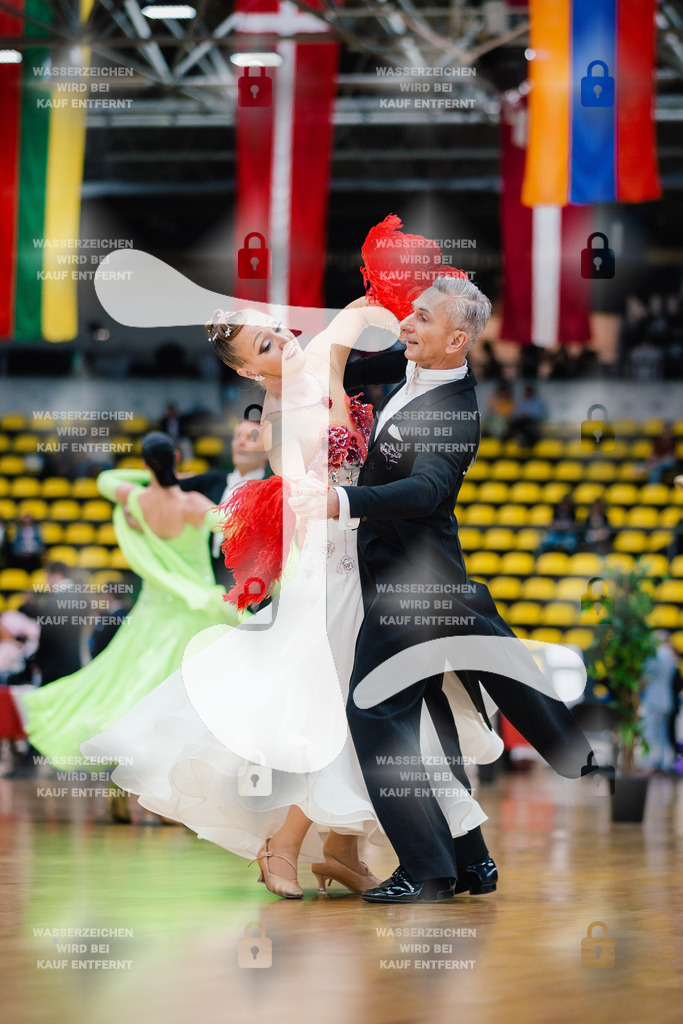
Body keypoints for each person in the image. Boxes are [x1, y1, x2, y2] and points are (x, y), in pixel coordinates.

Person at [83, 298, 494, 899]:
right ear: (250, 372)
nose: (283, 339)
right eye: (266, 344)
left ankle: (342, 849)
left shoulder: (321, 358)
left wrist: (409, 317)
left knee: (359, 707)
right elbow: (313, 494)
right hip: (332, 566)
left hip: (368, 557)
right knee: (333, 709)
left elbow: (361, 313)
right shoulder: (281, 415)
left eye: (276, 327)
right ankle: (287, 842)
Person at [298, 277, 596, 903]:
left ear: (456, 340)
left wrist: (341, 499)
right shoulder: (412, 365)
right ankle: (468, 864)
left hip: (414, 586)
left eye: (422, 318)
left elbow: (427, 492)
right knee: (432, 717)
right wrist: (340, 333)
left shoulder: (455, 413)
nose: (408, 323)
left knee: (373, 709)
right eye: (411, 313)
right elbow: (336, 359)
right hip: (411, 578)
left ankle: (429, 869)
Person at [13, 433, 242, 804]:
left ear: (144, 464)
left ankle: (130, 778)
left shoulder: (135, 499)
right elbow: (232, 526)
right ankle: (172, 794)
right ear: (178, 457)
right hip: (195, 611)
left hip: (152, 612)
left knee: (132, 692)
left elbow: (106, 481)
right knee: (185, 701)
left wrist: (147, 480)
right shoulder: (193, 503)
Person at [179, 418, 269, 589]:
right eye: (237, 437)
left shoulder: (273, 492)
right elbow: (162, 489)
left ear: (267, 451)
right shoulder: (212, 481)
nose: (241, 442)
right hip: (207, 584)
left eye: (251, 438)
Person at [641, 631, 679, 773]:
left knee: (650, 732)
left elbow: (646, 674)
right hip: (667, 698)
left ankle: (649, 762)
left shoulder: (655, 654)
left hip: (654, 699)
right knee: (663, 733)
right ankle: (665, 763)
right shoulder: (671, 655)